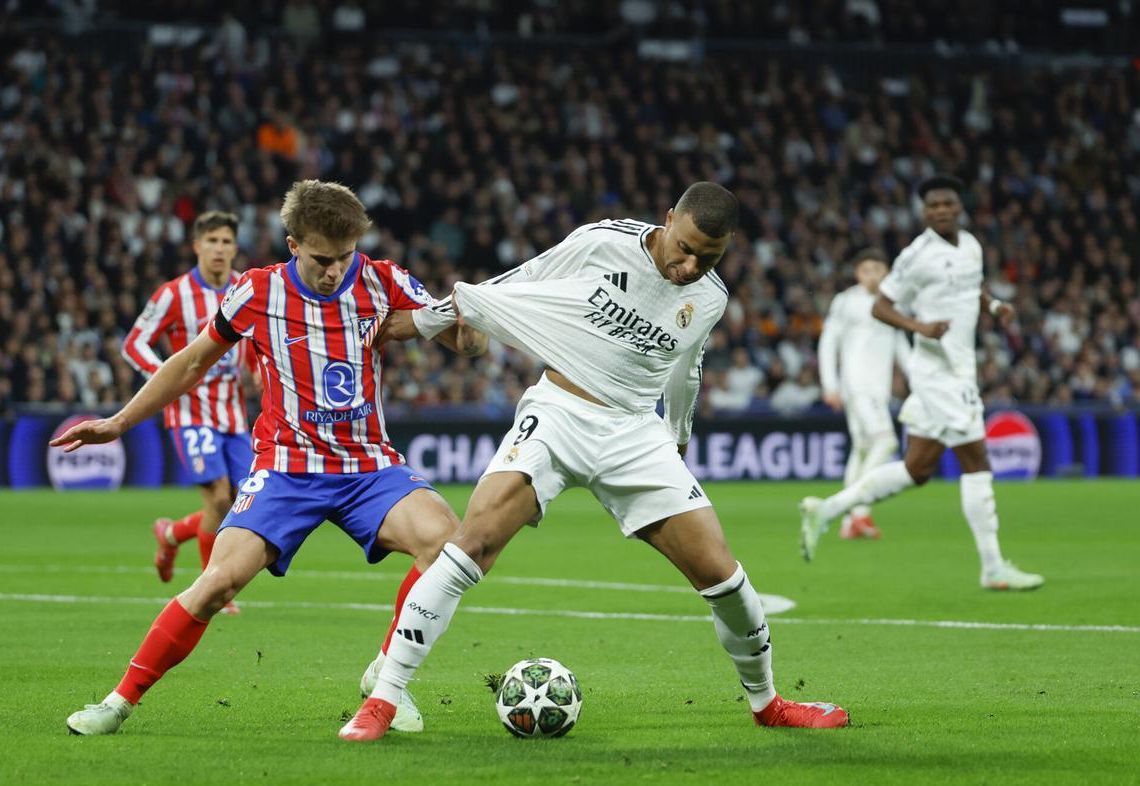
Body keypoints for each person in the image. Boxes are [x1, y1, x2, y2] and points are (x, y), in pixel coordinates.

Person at [341, 182, 849, 741]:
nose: (690, 265)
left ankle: (767, 703)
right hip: (558, 411)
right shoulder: (603, 243)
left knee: (723, 578)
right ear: (669, 217)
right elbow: (517, 286)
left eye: (710, 256)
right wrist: (426, 322)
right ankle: (384, 699)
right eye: (685, 247)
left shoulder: (710, 297)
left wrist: (677, 438)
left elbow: (687, 368)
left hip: (635, 431)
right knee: (472, 545)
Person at [56, 180, 487, 736]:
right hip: (287, 468)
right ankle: (116, 703)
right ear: (292, 245)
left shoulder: (383, 278)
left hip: (367, 466)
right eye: (322, 259)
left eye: (345, 257)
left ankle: (387, 674)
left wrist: (459, 317)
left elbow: (470, 346)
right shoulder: (258, 292)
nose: (335, 271)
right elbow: (190, 363)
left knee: (447, 544)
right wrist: (118, 421)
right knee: (216, 585)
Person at [798, 175, 1044, 591]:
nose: (941, 211)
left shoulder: (971, 245)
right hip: (940, 374)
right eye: (933, 206)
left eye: (948, 203)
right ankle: (993, 567)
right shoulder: (917, 255)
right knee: (976, 461)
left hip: (957, 368)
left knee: (917, 469)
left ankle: (828, 509)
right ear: (924, 212)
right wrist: (920, 327)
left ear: (959, 206)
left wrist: (995, 304)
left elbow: (973, 284)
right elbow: (881, 306)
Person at [122, 211, 255, 612]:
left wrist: (259, 371)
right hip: (190, 412)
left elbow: (257, 338)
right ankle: (212, 588)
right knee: (217, 499)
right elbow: (134, 343)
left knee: (241, 502)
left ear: (235, 248)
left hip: (232, 415)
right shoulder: (173, 294)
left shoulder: (245, 288)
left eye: (226, 242)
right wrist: (167, 375)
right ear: (197, 246)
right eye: (211, 241)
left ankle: (172, 534)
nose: (219, 249)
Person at [816, 248, 910, 540]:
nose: (872, 275)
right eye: (866, 270)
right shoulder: (846, 302)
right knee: (886, 442)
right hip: (857, 386)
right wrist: (830, 384)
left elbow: (901, 348)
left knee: (862, 449)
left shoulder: (892, 303)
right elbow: (828, 343)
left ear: (887, 272)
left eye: (878, 269)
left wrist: (919, 383)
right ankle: (858, 512)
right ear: (858, 274)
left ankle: (848, 524)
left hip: (878, 389)